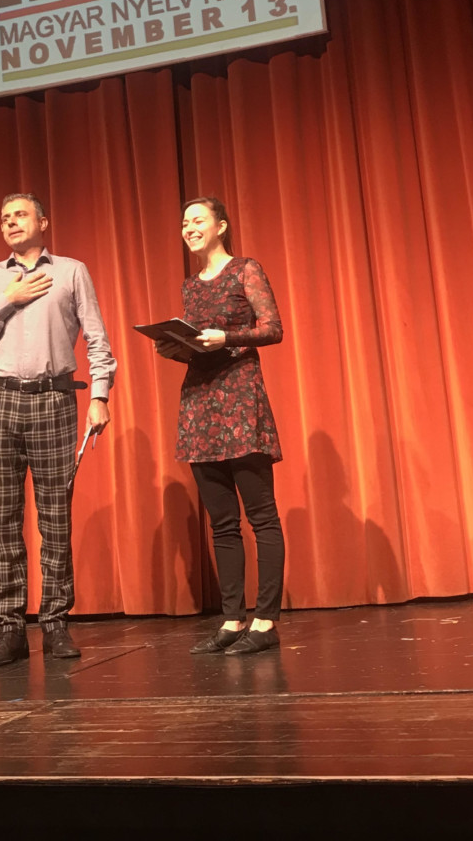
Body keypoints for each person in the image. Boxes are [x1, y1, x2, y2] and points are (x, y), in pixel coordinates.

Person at [0, 193, 115, 667]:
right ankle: (10, 629)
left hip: (54, 397)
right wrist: (8, 300)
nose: (11, 222)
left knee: (55, 516)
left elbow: (97, 338)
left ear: (43, 222)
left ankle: (55, 622)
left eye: (20, 215)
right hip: (1, 399)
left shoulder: (70, 271)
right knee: (2, 517)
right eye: (5, 218)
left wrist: (100, 395)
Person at [156, 196, 285, 655]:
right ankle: (233, 620)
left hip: (240, 402)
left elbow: (273, 328)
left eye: (197, 220)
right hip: (200, 406)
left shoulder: (245, 269)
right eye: (184, 222)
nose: (189, 228)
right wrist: (176, 348)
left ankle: (265, 622)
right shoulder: (190, 286)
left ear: (221, 226)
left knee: (261, 516)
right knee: (222, 523)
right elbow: (200, 345)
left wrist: (226, 336)